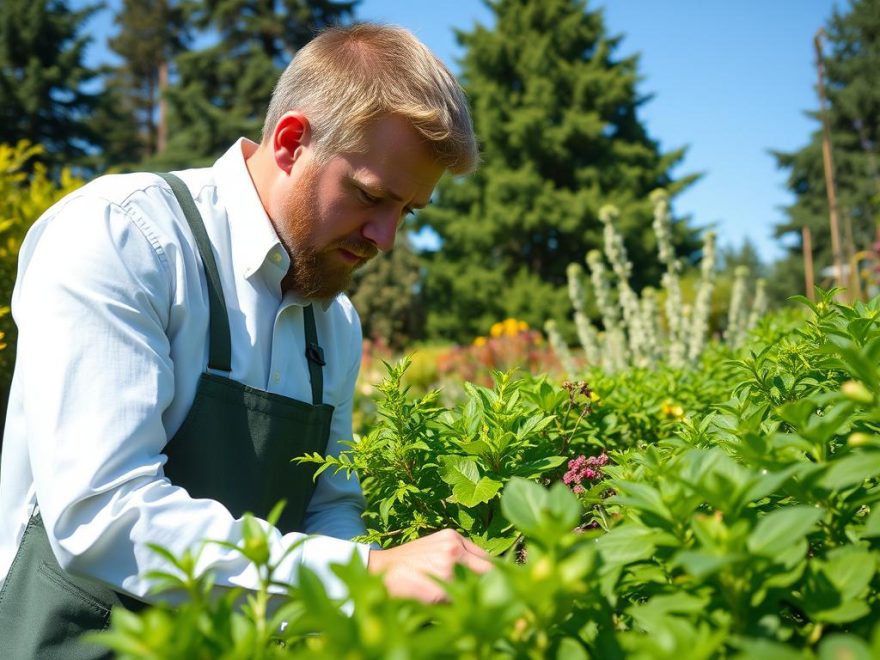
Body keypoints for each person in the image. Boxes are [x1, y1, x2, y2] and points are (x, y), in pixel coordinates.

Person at [0, 22, 492, 658]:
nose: (386, 238)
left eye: (408, 212)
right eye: (370, 196)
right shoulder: (127, 239)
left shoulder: (333, 320)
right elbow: (102, 516)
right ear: (290, 142)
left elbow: (328, 507)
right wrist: (365, 576)